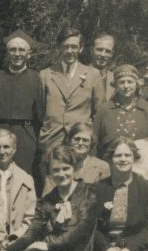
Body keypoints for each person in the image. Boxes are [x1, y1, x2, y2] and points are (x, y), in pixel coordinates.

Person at [1, 145, 101, 251]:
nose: (61, 174)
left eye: (65, 168)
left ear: (74, 168)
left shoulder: (89, 193)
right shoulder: (47, 200)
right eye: (56, 170)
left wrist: (47, 245)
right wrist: (8, 250)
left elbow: (80, 232)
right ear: (50, 173)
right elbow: (32, 232)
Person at [83, 138, 148, 251]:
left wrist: (130, 249)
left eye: (127, 155)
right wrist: (106, 248)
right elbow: (91, 225)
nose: (123, 159)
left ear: (134, 158)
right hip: (106, 249)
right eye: (118, 156)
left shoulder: (146, 188)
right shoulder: (99, 188)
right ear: (110, 159)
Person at [0, 30, 45, 176]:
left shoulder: (37, 80)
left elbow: (42, 116)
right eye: (13, 50)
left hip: (25, 137)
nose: (17, 54)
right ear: (7, 53)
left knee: (23, 175)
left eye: (21, 50)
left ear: (28, 54)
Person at [38, 27, 104, 155]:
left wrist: (88, 132)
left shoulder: (93, 74)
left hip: (80, 141)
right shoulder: (45, 74)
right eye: (66, 46)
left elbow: (99, 111)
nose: (70, 51)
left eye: (74, 47)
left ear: (81, 48)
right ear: (59, 48)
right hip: (51, 140)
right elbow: (40, 110)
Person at [0, 128, 36, 243]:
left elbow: (30, 217)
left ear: (14, 149)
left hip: (15, 237)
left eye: (6, 147)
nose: (2, 152)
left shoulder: (25, 179)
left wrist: (15, 237)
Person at [93, 64, 148, 160]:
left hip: (141, 164)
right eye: (122, 82)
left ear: (137, 84)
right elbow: (94, 142)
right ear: (116, 85)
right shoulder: (104, 110)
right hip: (110, 165)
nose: (126, 86)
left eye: (130, 82)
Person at [42, 122, 110, 196]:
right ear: (69, 140)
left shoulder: (102, 167)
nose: (80, 143)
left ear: (91, 143)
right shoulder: (57, 163)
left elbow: (104, 196)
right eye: (77, 139)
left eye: (85, 140)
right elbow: (47, 195)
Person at [91, 33, 116, 103]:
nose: (103, 54)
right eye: (99, 50)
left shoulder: (115, 79)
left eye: (107, 51)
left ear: (112, 54)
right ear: (91, 50)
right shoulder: (79, 74)